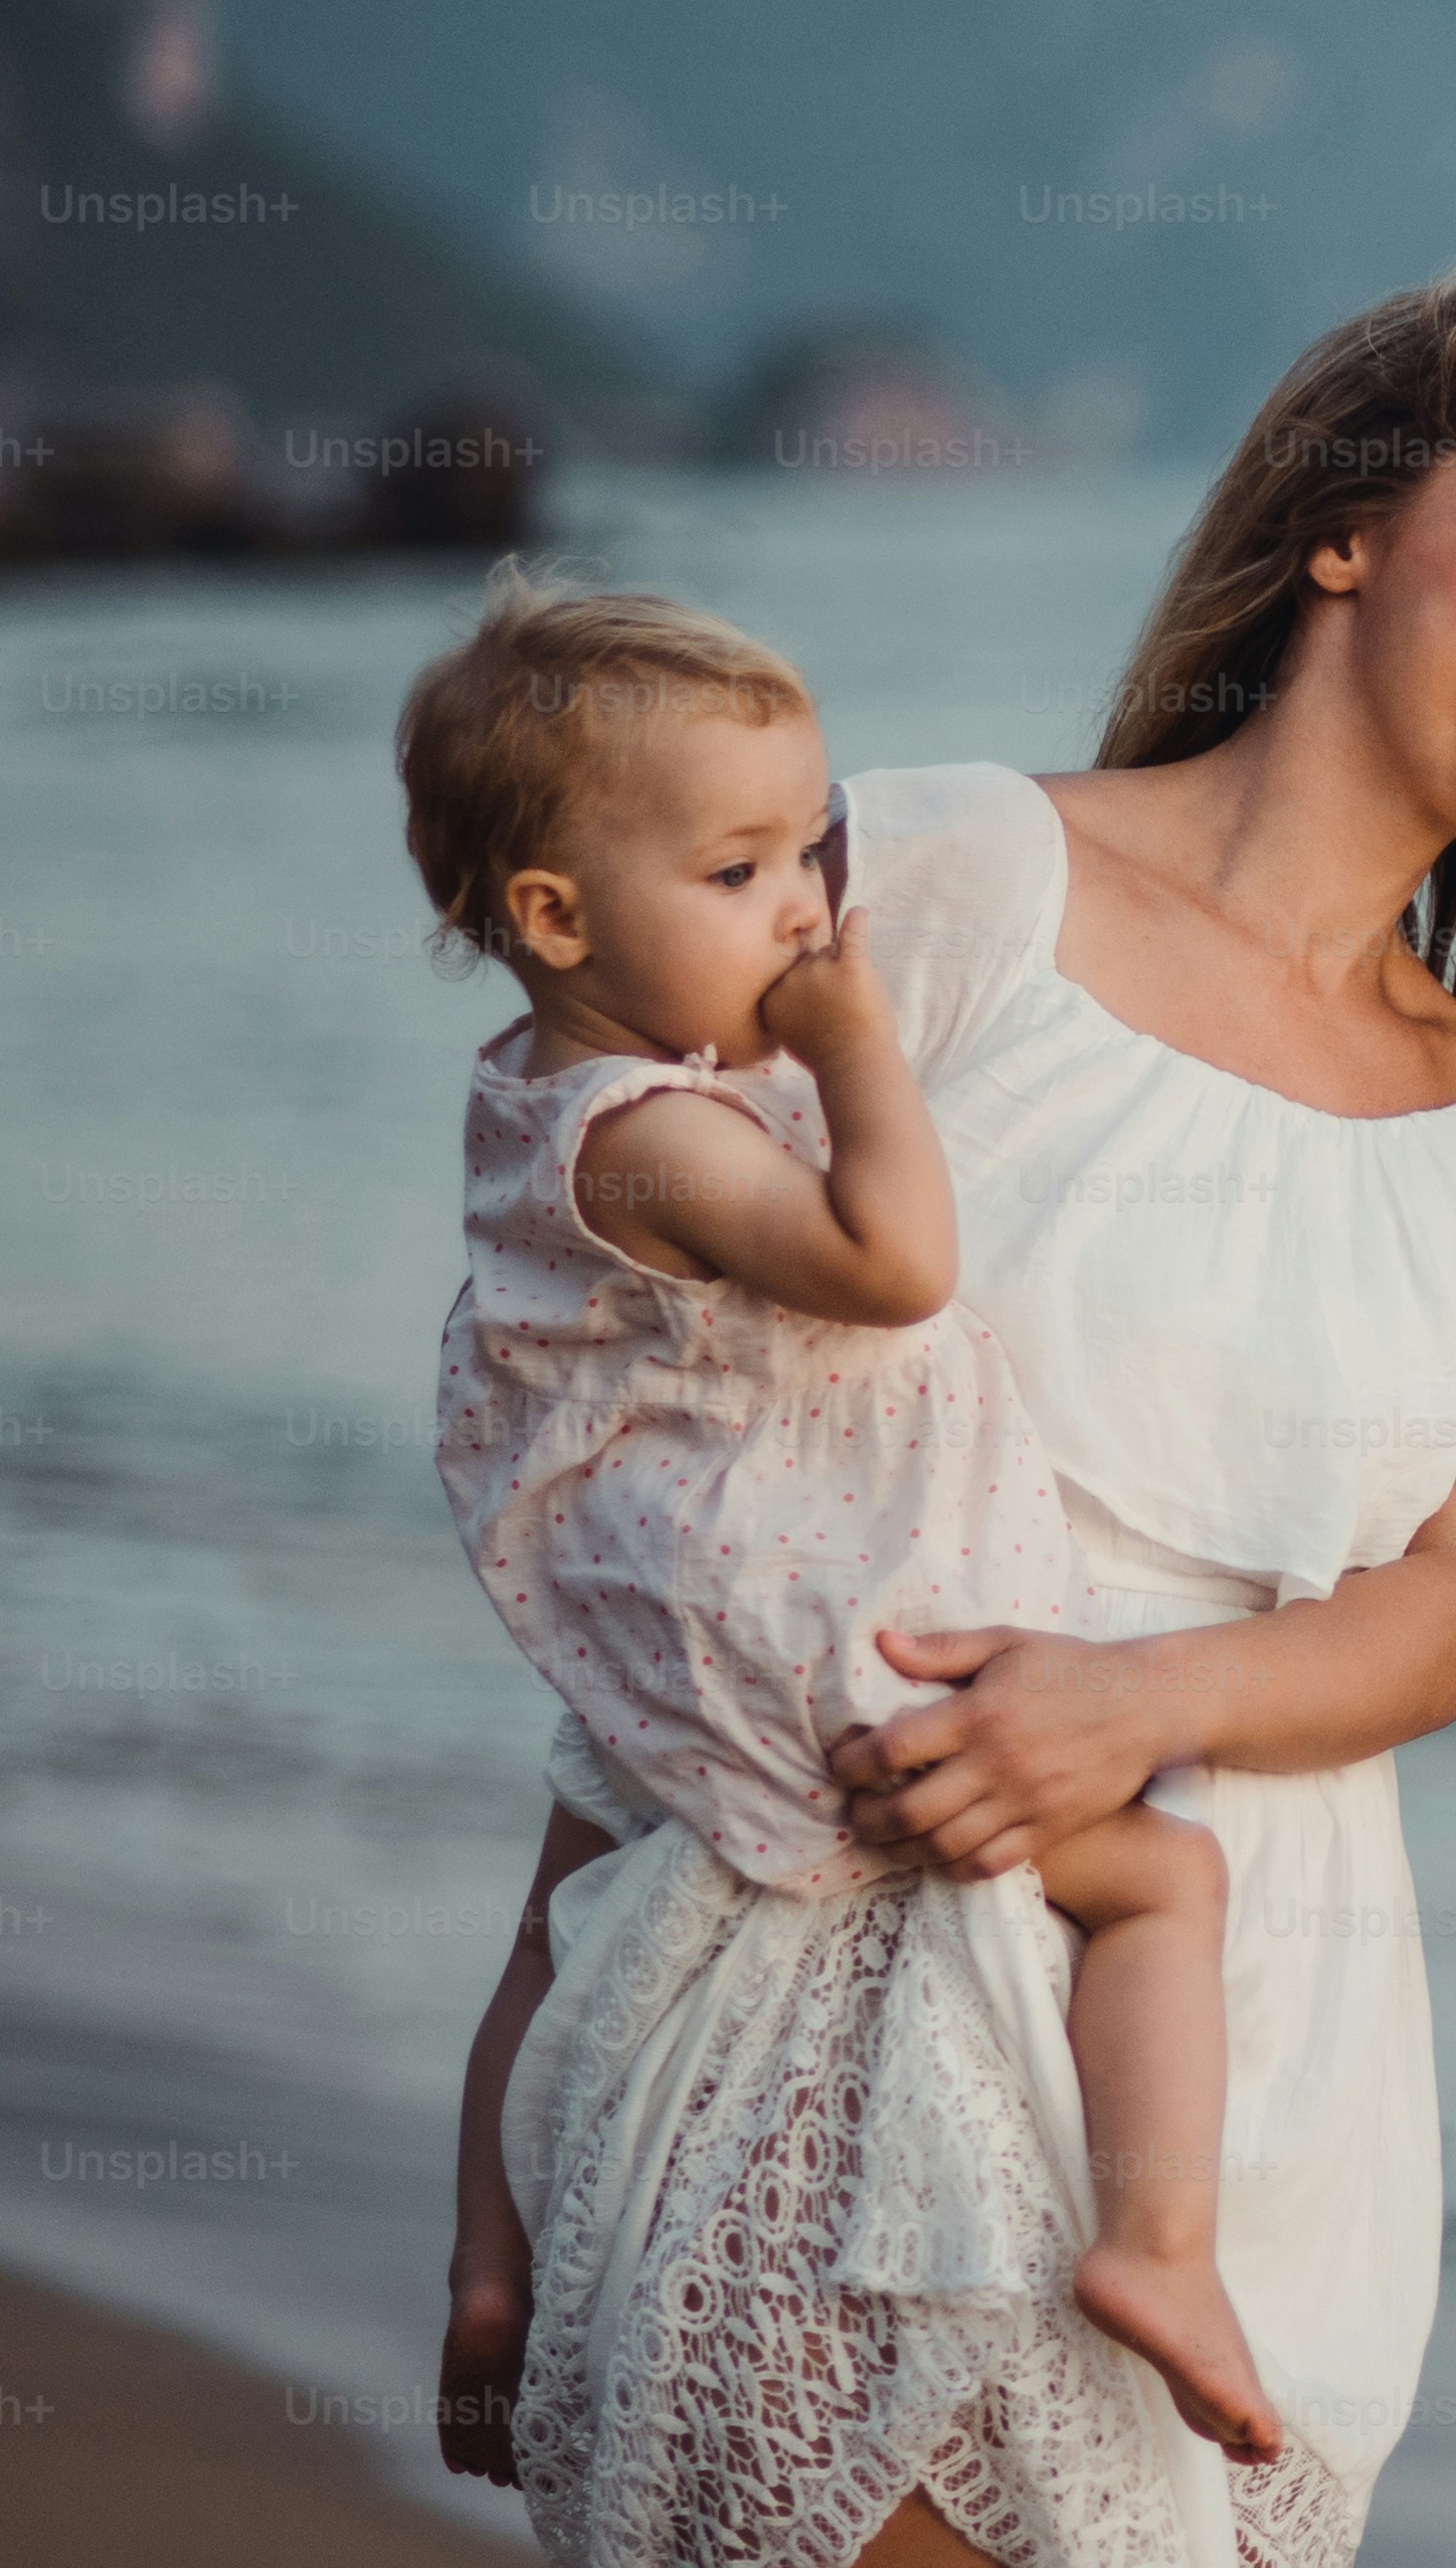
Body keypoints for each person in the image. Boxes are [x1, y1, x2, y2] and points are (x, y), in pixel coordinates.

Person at [436, 261, 1456, 2568]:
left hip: (1278, 2095)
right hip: (822, 2013)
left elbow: (1447, 1616)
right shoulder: (929, 882)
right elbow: (679, 1463)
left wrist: (1134, 1705)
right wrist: (512, 2077)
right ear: (1350, 526)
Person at [405, 577, 1283, 2466]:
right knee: (1163, 1879)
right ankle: (1162, 2243)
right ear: (555, 918)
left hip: (678, 1629)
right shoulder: (654, 1131)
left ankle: (490, 2260)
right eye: (737, 874)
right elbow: (892, 1263)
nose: (806, 907)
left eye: (809, 850)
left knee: (553, 1928)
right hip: (823, 1639)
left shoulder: (540, 1099)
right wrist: (862, 1045)